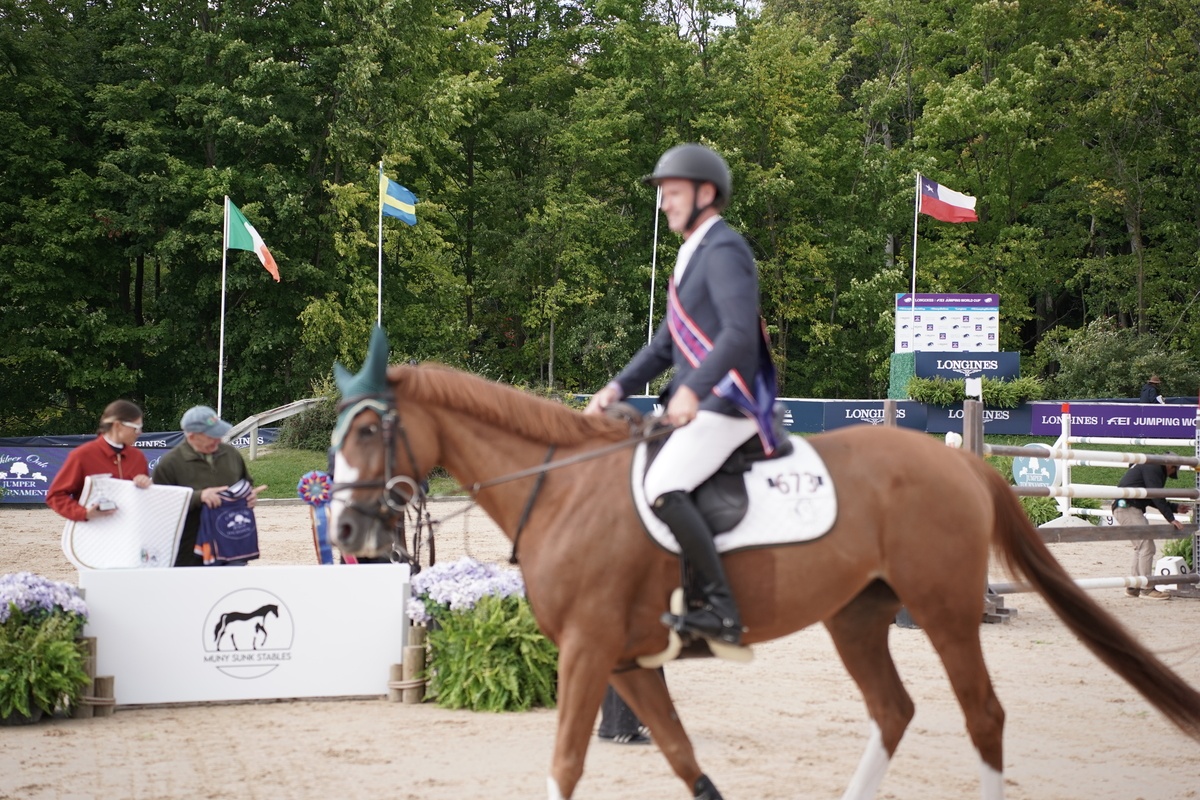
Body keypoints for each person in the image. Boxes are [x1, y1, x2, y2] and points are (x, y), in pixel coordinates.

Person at [584, 143, 778, 647]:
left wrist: (692, 390)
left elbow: (738, 335)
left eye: (672, 192)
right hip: (702, 402)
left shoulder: (725, 249)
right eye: (663, 194)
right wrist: (615, 388)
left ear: (705, 194)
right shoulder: (692, 255)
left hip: (728, 402)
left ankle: (721, 609)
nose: (664, 203)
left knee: (662, 485)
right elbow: (665, 347)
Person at [152, 406, 265, 566]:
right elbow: (158, 503)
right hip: (190, 550)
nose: (218, 439)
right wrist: (198, 497)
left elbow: (246, 482)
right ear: (192, 436)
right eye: (212, 435)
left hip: (232, 545)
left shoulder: (231, 454)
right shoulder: (169, 464)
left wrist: (249, 495)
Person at [45, 399, 152, 521]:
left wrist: (145, 486)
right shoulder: (82, 455)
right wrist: (84, 513)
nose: (139, 433)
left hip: (129, 528)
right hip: (92, 529)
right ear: (117, 425)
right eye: (136, 428)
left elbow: (144, 499)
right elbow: (55, 496)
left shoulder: (138, 457)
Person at [1112, 461, 1185, 599]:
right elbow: (1156, 495)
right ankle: (1147, 588)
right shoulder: (1154, 468)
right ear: (1171, 466)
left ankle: (1134, 586)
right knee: (1146, 546)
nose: (1169, 475)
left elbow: (1151, 497)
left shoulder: (1148, 467)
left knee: (1141, 547)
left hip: (1126, 506)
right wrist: (1171, 518)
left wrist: (1174, 508)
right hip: (1128, 508)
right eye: (1172, 472)